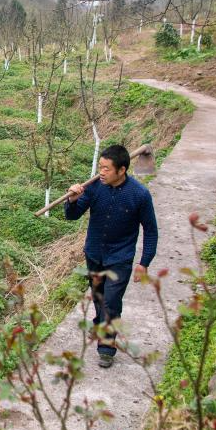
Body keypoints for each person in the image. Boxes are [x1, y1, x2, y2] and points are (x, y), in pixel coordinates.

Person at [64, 144, 158, 368]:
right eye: (100, 167)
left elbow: (151, 230)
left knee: (111, 302)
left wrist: (144, 263)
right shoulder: (96, 187)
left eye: (106, 168)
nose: (101, 172)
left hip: (120, 258)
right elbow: (73, 216)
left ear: (122, 169)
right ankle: (102, 326)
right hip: (95, 254)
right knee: (98, 299)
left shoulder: (139, 195)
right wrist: (73, 200)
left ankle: (106, 347)